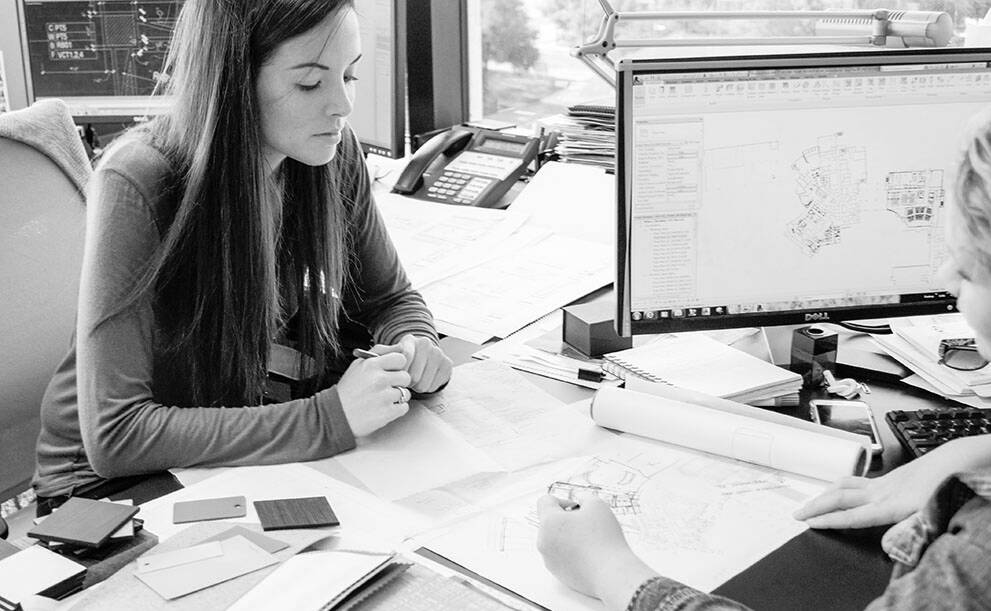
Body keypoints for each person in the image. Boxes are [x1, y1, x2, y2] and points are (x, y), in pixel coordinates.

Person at [536, 110, 991, 610]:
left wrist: (611, 572)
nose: (946, 276)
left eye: (968, 269)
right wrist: (975, 450)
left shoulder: (979, 553)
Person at [32, 0, 452, 513]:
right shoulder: (140, 181)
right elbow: (117, 436)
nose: (342, 106)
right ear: (233, 82)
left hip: (232, 440)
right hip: (108, 492)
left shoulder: (329, 153)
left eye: (351, 74)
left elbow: (390, 298)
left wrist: (415, 340)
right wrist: (329, 418)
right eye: (310, 83)